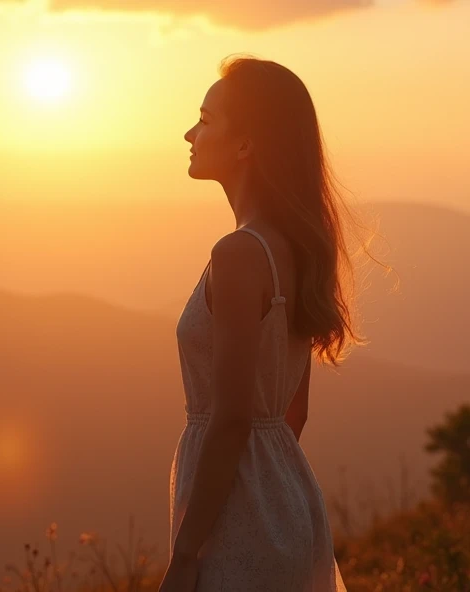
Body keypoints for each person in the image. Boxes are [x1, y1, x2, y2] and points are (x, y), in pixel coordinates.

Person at [163, 55, 371, 591]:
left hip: (238, 523)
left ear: (246, 145)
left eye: (206, 119)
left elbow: (232, 417)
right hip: (289, 507)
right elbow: (292, 414)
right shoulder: (295, 250)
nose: (190, 132)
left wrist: (186, 553)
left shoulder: (238, 254)